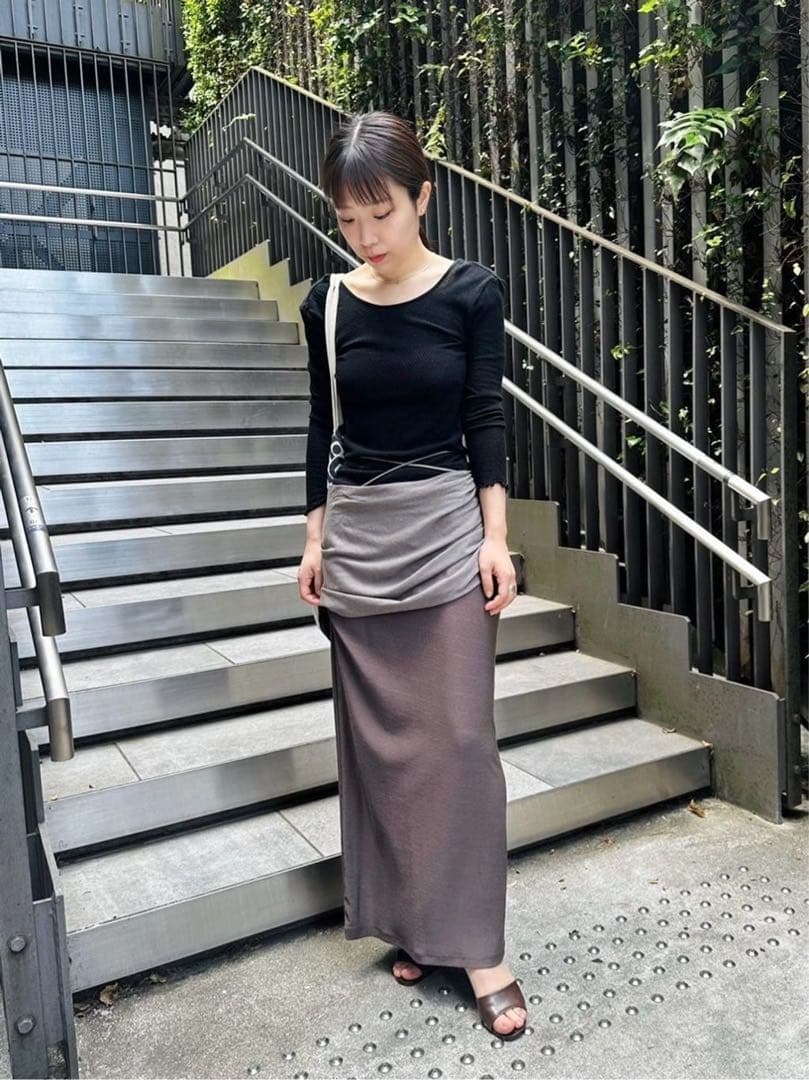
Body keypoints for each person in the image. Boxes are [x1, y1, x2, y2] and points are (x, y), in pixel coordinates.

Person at [296, 110, 527, 1041]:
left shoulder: (470, 291)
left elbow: (484, 417)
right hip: (359, 538)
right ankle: (414, 926)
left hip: (443, 530)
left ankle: (480, 949)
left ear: (422, 198)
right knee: (383, 754)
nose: (366, 236)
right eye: (348, 218)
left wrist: (495, 536)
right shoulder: (328, 303)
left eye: (381, 213)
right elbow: (323, 426)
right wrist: (314, 538)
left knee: (461, 743)